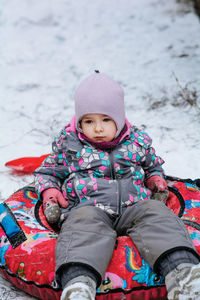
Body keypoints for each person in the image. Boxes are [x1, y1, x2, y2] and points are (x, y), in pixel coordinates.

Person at [34, 71, 200, 300]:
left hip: (135, 206)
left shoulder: (137, 142)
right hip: (89, 208)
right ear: (80, 121)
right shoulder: (70, 146)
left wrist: (154, 179)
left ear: (119, 119)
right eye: (89, 121)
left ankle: (184, 275)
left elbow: (153, 166)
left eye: (105, 120)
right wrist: (50, 191)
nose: (98, 128)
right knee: (81, 226)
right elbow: (47, 172)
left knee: (157, 214)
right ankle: (79, 285)